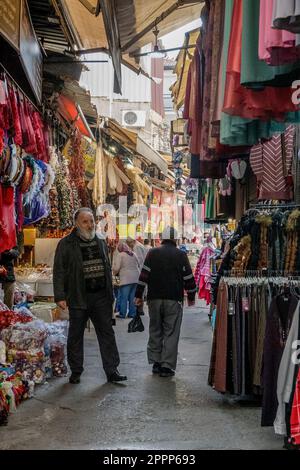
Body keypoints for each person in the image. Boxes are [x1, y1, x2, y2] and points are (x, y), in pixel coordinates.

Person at [53, 207, 127, 385]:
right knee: (75, 335)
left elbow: (107, 268)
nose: (90, 224)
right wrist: (60, 296)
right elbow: (59, 271)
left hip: (100, 297)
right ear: (76, 223)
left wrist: (110, 294)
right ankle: (76, 371)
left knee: (107, 333)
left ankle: (112, 370)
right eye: (85, 221)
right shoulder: (66, 243)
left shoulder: (100, 241)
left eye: (92, 221)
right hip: (78, 296)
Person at [135, 227, 197, 378]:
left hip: (154, 299)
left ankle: (156, 362)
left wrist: (138, 296)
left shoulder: (152, 253)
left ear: (161, 238)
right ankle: (166, 366)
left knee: (155, 330)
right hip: (173, 299)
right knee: (171, 332)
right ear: (175, 239)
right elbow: (188, 277)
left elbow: (143, 275)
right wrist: (191, 296)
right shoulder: (181, 255)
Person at [112, 239, 141, 319]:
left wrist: (114, 272)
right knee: (132, 297)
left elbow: (117, 267)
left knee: (123, 297)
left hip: (126, 279)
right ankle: (132, 313)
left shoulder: (120, 255)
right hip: (135, 278)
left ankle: (122, 313)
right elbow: (138, 264)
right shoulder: (133, 254)